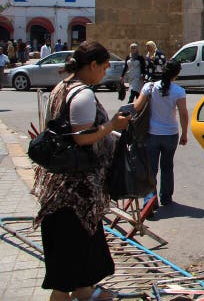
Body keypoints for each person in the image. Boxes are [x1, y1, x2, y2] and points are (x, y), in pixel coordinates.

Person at [32, 41, 131, 301]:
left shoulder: (60, 88)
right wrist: (112, 125)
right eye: (104, 66)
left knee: (80, 270)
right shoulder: (83, 94)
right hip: (76, 195)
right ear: (92, 65)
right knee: (65, 278)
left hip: (62, 192)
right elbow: (82, 138)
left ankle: (87, 293)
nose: (106, 71)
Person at [134, 60, 188, 207]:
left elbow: (137, 107)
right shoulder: (178, 91)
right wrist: (184, 134)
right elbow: (183, 114)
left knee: (151, 168)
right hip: (171, 133)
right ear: (176, 74)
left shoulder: (149, 87)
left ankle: (150, 200)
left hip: (152, 133)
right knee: (167, 166)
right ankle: (166, 197)